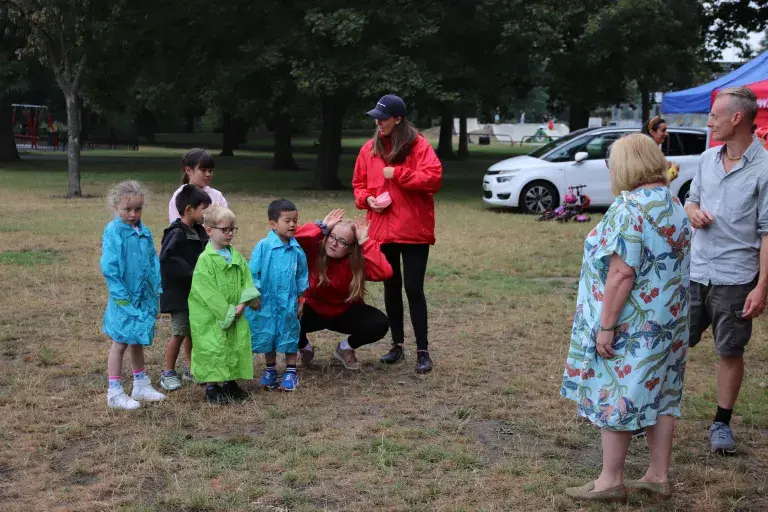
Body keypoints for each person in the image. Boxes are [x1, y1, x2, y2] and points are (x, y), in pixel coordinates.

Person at [561, 134, 692, 503]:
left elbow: (621, 273)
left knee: (617, 392)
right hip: (670, 320)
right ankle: (657, 475)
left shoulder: (629, 207)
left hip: (633, 323)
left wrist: (606, 326)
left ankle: (610, 480)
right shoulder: (673, 201)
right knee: (663, 394)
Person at [685, 86, 768, 453]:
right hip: (694, 271)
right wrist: (692, 212)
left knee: (730, 351)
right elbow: (691, 199)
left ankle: (721, 423)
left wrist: (761, 287)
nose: (709, 121)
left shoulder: (765, 169)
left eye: (715, 116)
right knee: (670, 343)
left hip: (735, 279)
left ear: (737, 118)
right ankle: (647, 413)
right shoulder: (706, 159)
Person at [352, 94, 443, 374]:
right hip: (383, 230)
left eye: (383, 118)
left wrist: (399, 174)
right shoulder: (369, 149)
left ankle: (423, 351)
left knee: (413, 288)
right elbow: (359, 184)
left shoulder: (419, 146)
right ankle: (397, 346)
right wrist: (367, 200)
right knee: (391, 287)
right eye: (376, 118)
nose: (378, 122)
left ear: (398, 118)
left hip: (413, 230)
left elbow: (434, 179)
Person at [295, 209, 393, 370]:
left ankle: (345, 348)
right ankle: (305, 349)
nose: (334, 243)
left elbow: (385, 272)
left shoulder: (357, 262)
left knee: (379, 323)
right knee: (284, 315)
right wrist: (321, 227)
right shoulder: (313, 250)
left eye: (342, 241)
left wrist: (365, 242)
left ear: (350, 248)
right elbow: (291, 237)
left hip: (344, 312)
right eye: (332, 237)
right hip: (311, 309)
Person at [101, 180, 166, 410]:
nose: (132, 214)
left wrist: (155, 287)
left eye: (137, 209)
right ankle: (114, 391)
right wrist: (121, 298)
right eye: (127, 209)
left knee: (137, 339)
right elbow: (110, 268)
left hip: (143, 295)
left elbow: (151, 260)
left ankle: (141, 383)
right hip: (124, 297)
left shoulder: (144, 231)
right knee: (120, 341)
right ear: (116, 207)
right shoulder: (113, 232)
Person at [188, 205, 260, 404]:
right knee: (213, 347)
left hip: (236, 311)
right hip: (212, 316)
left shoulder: (235, 256)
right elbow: (207, 291)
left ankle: (230, 382)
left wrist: (245, 303)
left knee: (234, 346)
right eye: (225, 230)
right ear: (209, 230)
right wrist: (228, 311)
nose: (229, 234)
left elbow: (247, 280)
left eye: (232, 229)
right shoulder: (205, 260)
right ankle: (212, 387)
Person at [246, 199, 309, 392]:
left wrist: (301, 299)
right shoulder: (263, 246)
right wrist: (254, 295)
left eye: (295, 220)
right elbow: (253, 272)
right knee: (268, 334)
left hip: (288, 301)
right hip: (266, 301)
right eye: (287, 220)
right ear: (273, 224)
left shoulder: (297, 249)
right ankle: (270, 369)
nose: (292, 224)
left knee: (290, 332)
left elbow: (302, 275)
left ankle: (291, 371)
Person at [158, 184, 212, 390]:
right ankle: (168, 372)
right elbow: (167, 259)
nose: (206, 214)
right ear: (189, 210)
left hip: (196, 293)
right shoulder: (176, 232)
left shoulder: (199, 231)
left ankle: (191, 369)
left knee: (193, 332)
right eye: (204, 210)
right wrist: (193, 272)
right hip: (179, 295)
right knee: (179, 332)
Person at [168, 148, 228, 223]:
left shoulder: (217, 196)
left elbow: (226, 223)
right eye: (203, 170)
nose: (208, 174)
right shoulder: (180, 195)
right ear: (188, 170)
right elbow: (175, 226)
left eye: (210, 171)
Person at [642, 116, 679, 182]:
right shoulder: (647, 152)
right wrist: (673, 170)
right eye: (663, 130)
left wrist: (665, 168)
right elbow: (656, 182)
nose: (666, 134)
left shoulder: (652, 150)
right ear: (652, 132)